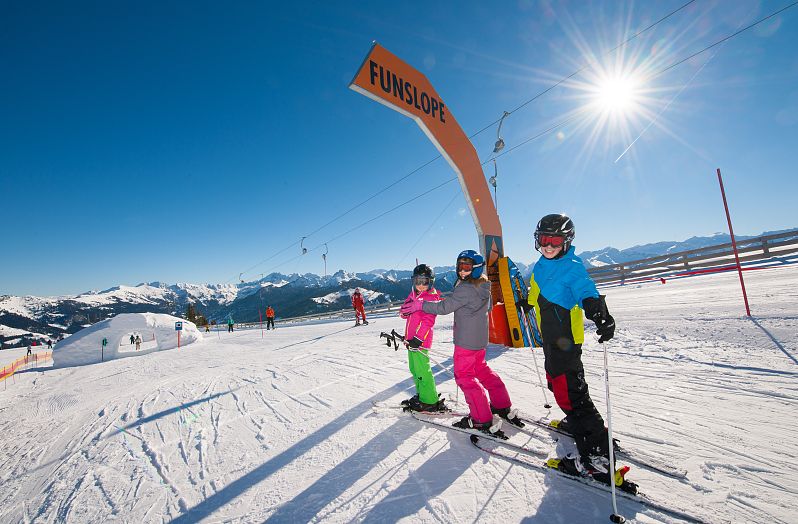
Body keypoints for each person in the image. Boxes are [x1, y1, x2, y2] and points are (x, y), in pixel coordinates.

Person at [518, 213, 616, 468]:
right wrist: (527, 303)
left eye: (555, 240)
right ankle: (577, 422)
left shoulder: (572, 266)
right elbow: (537, 289)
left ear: (567, 241)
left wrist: (597, 310)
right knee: (555, 383)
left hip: (566, 340)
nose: (548, 246)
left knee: (571, 393)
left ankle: (596, 450)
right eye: (544, 239)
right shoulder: (541, 264)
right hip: (550, 338)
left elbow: (585, 288)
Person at [401, 250, 521, 436]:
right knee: (481, 370)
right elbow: (486, 307)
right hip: (480, 340)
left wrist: (420, 305)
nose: (462, 271)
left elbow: (444, 307)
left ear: (476, 268)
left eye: (466, 267)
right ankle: (501, 404)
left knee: (465, 377)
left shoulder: (466, 287)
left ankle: (481, 419)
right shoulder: (484, 285)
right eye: (460, 267)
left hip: (466, 341)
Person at [399, 264, 447, 412]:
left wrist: (418, 339)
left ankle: (430, 401)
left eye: (424, 282)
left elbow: (428, 322)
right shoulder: (415, 295)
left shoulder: (430, 298)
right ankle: (422, 396)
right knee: (414, 369)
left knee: (422, 370)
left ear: (430, 281)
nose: (420, 285)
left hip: (420, 342)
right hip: (411, 341)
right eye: (417, 281)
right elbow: (405, 314)